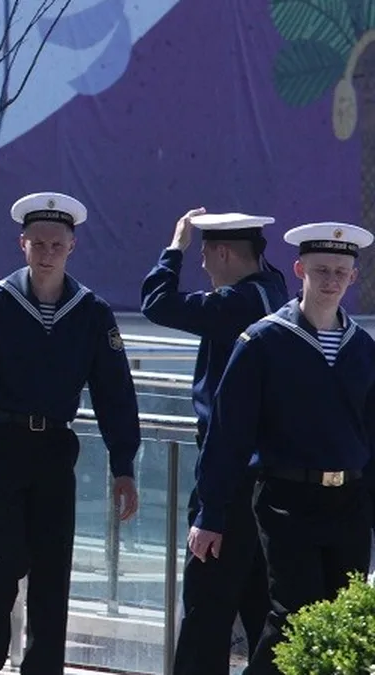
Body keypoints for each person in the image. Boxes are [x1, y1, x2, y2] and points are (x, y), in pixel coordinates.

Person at [0, 192, 141, 675]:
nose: (47, 253)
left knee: (51, 566)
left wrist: (123, 465)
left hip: (54, 448)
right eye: (38, 243)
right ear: (22, 244)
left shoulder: (91, 312)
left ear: (72, 247)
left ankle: (42, 669)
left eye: (56, 244)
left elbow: (115, 394)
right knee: (4, 558)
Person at [189, 222, 375, 675]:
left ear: (353, 277)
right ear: (299, 270)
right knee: (294, 613)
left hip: (349, 501)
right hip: (286, 498)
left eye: (340, 272)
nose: (330, 280)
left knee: (342, 617)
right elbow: (228, 434)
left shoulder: (363, 348)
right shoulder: (263, 341)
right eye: (321, 270)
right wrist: (211, 513)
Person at [140, 209, 288, 674]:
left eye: (204, 255)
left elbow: (157, 303)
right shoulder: (276, 289)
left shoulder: (235, 305)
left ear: (223, 253)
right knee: (259, 602)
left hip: (228, 473)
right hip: (265, 476)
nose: (202, 265)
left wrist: (174, 248)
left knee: (207, 606)